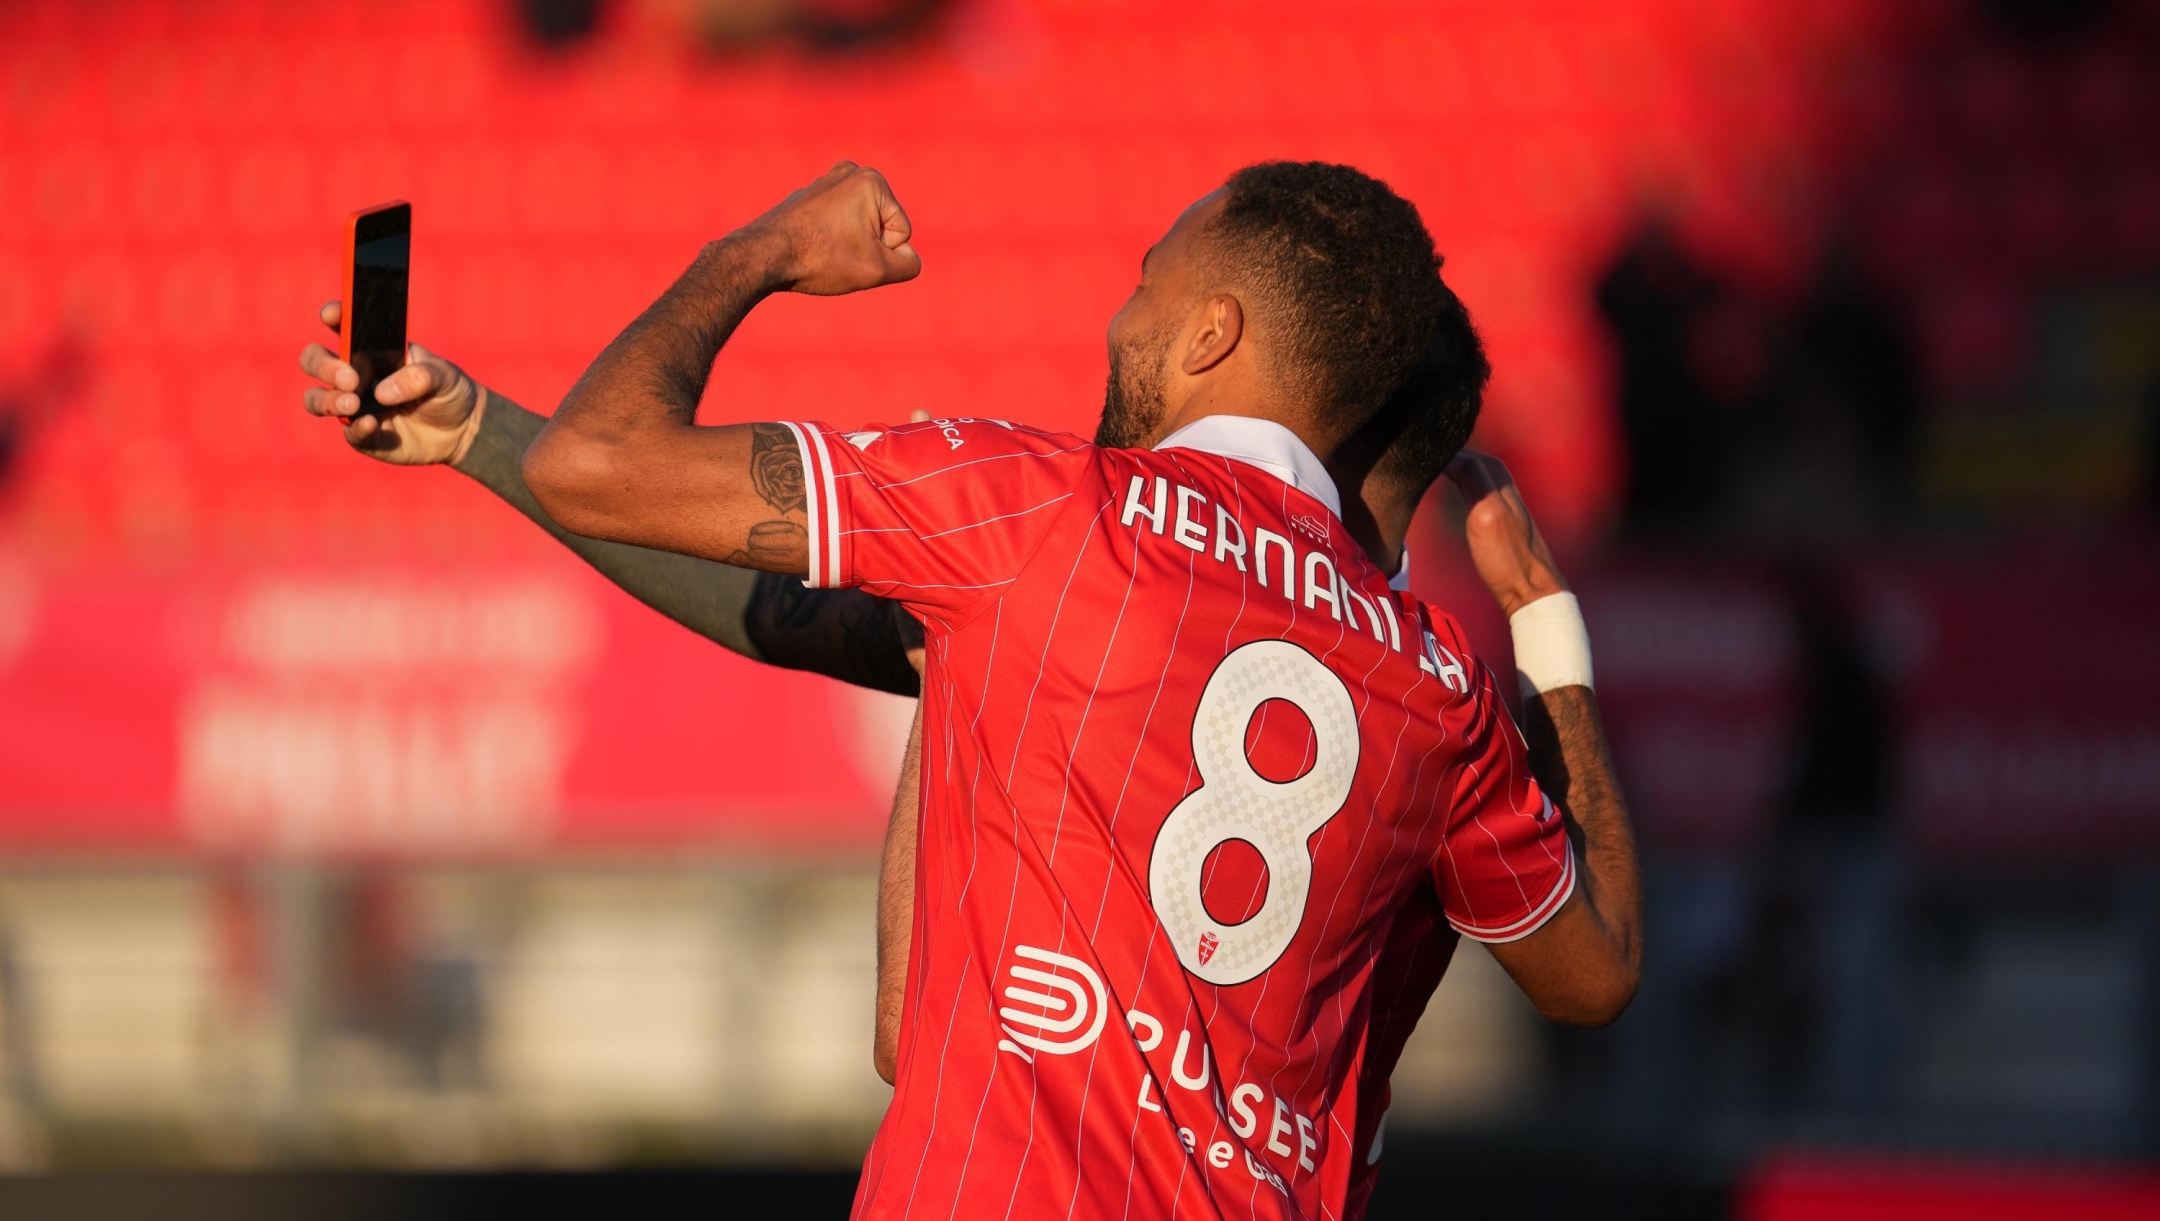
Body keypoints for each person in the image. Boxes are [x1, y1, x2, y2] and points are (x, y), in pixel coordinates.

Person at [299, 159, 1640, 1219]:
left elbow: (607, 466)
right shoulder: (1439, 683)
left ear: (1215, 332)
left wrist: (760, 249)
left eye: (1144, 283)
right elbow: (1594, 977)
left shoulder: (1051, 524)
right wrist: (1547, 629)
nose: (1118, 317)